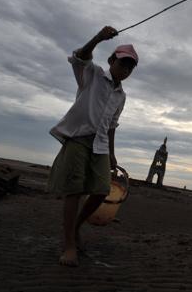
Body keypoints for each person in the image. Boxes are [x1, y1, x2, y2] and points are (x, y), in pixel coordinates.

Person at [47, 26, 138, 267]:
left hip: (99, 144)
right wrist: (98, 38)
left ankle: (75, 228)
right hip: (78, 138)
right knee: (74, 191)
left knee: (100, 190)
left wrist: (111, 153)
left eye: (130, 67)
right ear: (111, 61)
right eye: (122, 63)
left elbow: (111, 125)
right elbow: (79, 56)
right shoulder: (93, 74)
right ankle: (68, 245)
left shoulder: (121, 96)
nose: (125, 69)